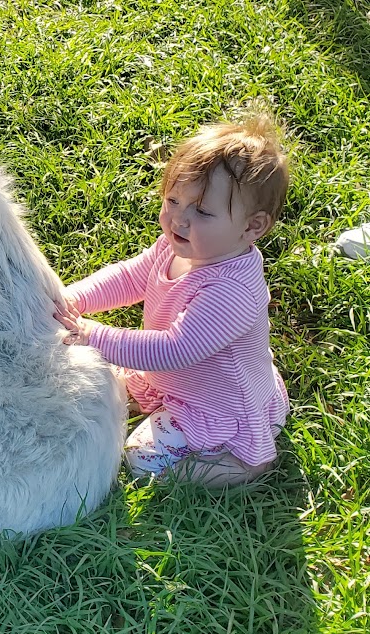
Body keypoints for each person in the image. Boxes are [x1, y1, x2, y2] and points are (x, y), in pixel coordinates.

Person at [54, 115, 291, 487]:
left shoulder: (232, 290)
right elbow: (132, 276)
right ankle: (164, 399)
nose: (178, 219)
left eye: (202, 211)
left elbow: (173, 349)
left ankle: (241, 464)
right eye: (173, 200)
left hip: (220, 405)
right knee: (97, 386)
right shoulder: (180, 246)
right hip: (181, 380)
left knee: (141, 458)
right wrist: (74, 299)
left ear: (251, 227)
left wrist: (94, 336)